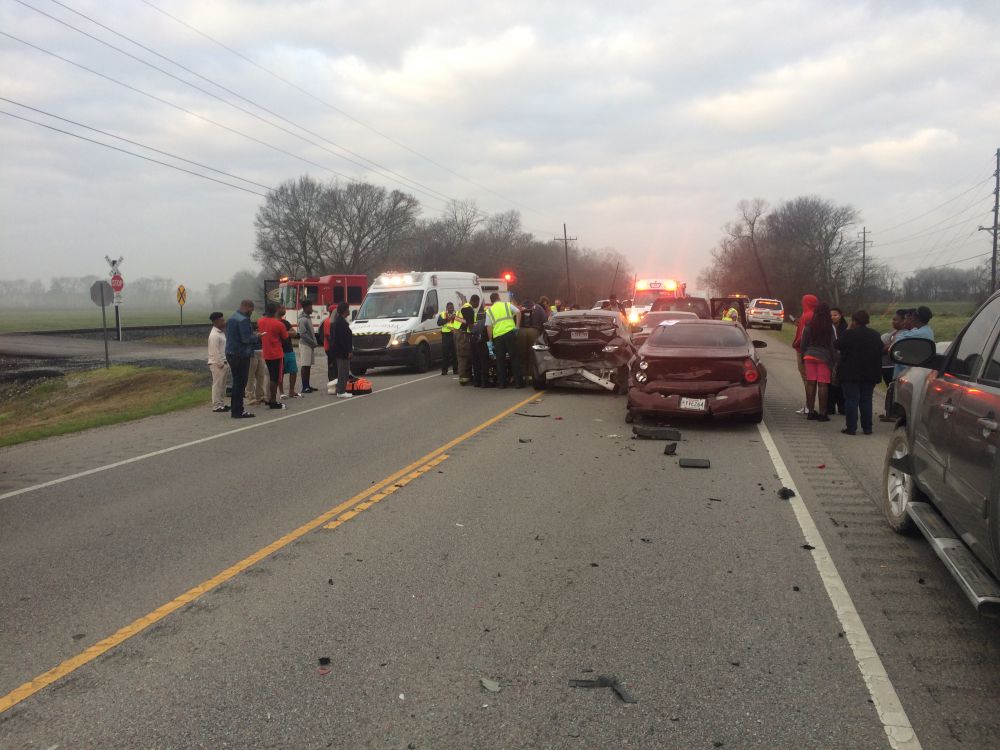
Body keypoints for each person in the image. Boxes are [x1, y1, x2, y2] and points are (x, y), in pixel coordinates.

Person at [835, 310, 884, 435]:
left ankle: (851, 427)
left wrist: (847, 329)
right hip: (870, 372)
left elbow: (837, 344)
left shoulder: (849, 334)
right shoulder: (875, 334)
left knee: (852, 399)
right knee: (866, 400)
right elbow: (880, 350)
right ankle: (867, 428)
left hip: (850, 372)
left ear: (854, 321)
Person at [800, 302, 836, 422]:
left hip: (809, 356)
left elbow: (803, 343)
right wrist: (834, 359)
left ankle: (810, 411)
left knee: (810, 383)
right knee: (823, 384)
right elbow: (833, 345)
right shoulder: (830, 327)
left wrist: (803, 355)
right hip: (824, 357)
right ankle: (822, 413)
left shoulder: (809, 325)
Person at [224, 299, 258, 419]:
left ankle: (235, 409)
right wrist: (257, 337)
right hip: (241, 354)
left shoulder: (232, 317)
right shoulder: (243, 320)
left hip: (231, 353)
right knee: (241, 383)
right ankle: (238, 411)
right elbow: (246, 338)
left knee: (236, 382)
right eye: (251, 310)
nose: (252, 312)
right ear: (248, 307)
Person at [256, 303, 289, 410]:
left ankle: (270, 398)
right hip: (276, 354)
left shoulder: (260, 321)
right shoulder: (279, 324)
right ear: (276, 310)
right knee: (275, 378)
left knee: (271, 376)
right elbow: (285, 338)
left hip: (266, 353)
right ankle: (273, 401)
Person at [486, 291, 521, 388]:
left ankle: (502, 384)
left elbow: (489, 327)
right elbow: (518, 312)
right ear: (499, 298)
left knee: (500, 361)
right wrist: (517, 327)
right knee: (514, 358)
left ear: (491, 301)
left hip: (498, 337)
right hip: (510, 334)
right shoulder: (506, 305)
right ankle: (518, 383)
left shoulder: (489, 311)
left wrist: (490, 341)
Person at [792, 294, 819, 415]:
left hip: (803, 350)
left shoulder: (807, 315)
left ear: (807, 303)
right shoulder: (815, 314)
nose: (801, 303)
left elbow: (803, 335)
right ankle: (810, 405)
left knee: (807, 378)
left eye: (803, 301)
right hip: (813, 350)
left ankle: (809, 405)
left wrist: (796, 343)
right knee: (811, 379)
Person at [893, 306, 934, 378]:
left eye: (912, 316)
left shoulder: (918, 333)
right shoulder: (927, 330)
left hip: (908, 373)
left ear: (916, 318)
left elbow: (897, 341)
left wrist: (899, 331)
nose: (911, 318)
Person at [879, 309, 906, 421]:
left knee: (893, 390)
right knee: (890, 389)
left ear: (904, 321)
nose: (893, 322)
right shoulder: (895, 332)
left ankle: (892, 413)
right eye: (893, 319)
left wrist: (882, 347)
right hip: (886, 365)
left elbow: (889, 348)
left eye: (896, 320)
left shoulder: (903, 334)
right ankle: (889, 412)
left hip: (891, 366)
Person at [276, 304, 301, 399]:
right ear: (277, 309)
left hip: (289, 350)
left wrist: (284, 333)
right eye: (282, 308)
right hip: (279, 351)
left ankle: (291, 391)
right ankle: (281, 392)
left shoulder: (285, 322)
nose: (284, 309)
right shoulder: (274, 322)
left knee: (293, 370)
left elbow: (294, 333)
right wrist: (287, 333)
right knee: (280, 373)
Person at [329, 301, 354, 398]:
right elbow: (342, 339)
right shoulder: (340, 322)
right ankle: (341, 391)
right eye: (348, 309)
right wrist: (348, 351)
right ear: (344, 310)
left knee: (344, 371)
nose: (349, 311)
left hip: (341, 351)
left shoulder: (341, 321)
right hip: (342, 352)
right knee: (343, 371)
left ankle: (342, 389)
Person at [207, 311, 230, 413]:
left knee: (222, 385)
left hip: (224, 362)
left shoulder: (221, 333)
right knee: (217, 385)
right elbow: (214, 351)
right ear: (215, 321)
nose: (224, 322)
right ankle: (216, 405)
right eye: (221, 320)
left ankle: (221, 403)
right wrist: (220, 364)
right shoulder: (214, 335)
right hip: (217, 363)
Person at [518, 296, 547, 373]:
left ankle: (523, 375)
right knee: (533, 355)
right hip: (534, 332)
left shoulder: (519, 308)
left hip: (521, 332)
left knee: (522, 354)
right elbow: (545, 320)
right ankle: (532, 375)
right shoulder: (538, 307)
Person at [828, 307, 848, 415]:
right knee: (829, 383)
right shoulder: (827, 327)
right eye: (831, 315)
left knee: (840, 383)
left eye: (835, 315)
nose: (833, 317)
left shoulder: (845, 327)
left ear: (840, 316)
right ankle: (830, 407)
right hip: (830, 358)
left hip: (842, 358)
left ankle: (842, 407)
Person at [455, 295, 478, 386]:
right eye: (477, 303)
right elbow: (470, 324)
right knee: (465, 356)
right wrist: (475, 333)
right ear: (475, 301)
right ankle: (464, 379)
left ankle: (466, 378)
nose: (477, 305)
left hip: (460, 334)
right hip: (464, 336)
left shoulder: (463, 308)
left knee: (464, 356)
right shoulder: (468, 309)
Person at [297, 299, 319, 393]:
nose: (312, 309)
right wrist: (312, 342)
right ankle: (304, 386)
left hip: (309, 345)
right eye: (310, 307)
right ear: (305, 308)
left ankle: (307, 385)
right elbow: (303, 334)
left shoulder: (307, 318)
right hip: (305, 345)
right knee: (305, 365)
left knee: (308, 365)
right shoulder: (302, 319)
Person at [437, 302, 460, 375]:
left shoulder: (456, 314)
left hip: (454, 334)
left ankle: (455, 370)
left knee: (454, 353)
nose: (451, 309)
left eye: (452, 308)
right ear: (447, 308)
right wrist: (448, 319)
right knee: (445, 353)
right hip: (446, 335)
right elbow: (439, 323)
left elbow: (461, 323)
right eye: (450, 308)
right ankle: (444, 370)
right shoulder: (443, 314)